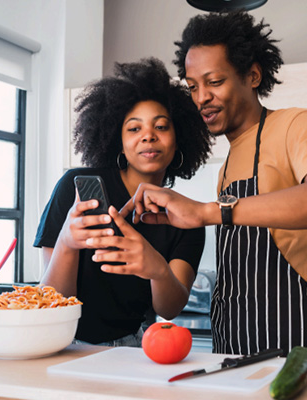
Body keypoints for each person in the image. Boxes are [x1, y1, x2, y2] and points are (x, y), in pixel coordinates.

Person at [122, 11, 307, 359]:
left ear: (252, 75)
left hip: (292, 342)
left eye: (214, 81)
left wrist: (206, 212)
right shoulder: (229, 161)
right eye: (192, 87)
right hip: (230, 345)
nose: (201, 97)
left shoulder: (295, 124)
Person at [33, 58, 212, 346]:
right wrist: (67, 242)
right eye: (134, 129)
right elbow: (52, 299)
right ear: (118, 140)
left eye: (162, 127)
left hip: (130, 348)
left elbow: (169, 309)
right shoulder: (75, 188)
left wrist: (157, 268)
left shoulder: (187, 217)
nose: (148, 136)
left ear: (179, 139)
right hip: (61, 344)